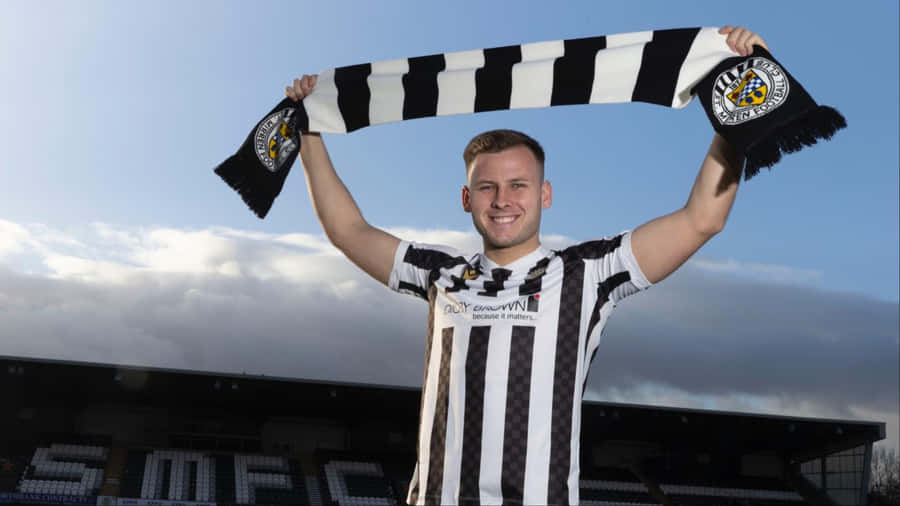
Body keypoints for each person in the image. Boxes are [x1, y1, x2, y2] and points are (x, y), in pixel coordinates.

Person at [286, 26, 768, 506]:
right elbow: (348, 231)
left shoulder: (589, 273)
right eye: (486, 187)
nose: (502, 201)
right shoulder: (441, 274)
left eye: (518, 185)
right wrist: (308, 133)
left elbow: (703, 219)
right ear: (466, 198)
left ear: (545, 195)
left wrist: (744, 97)